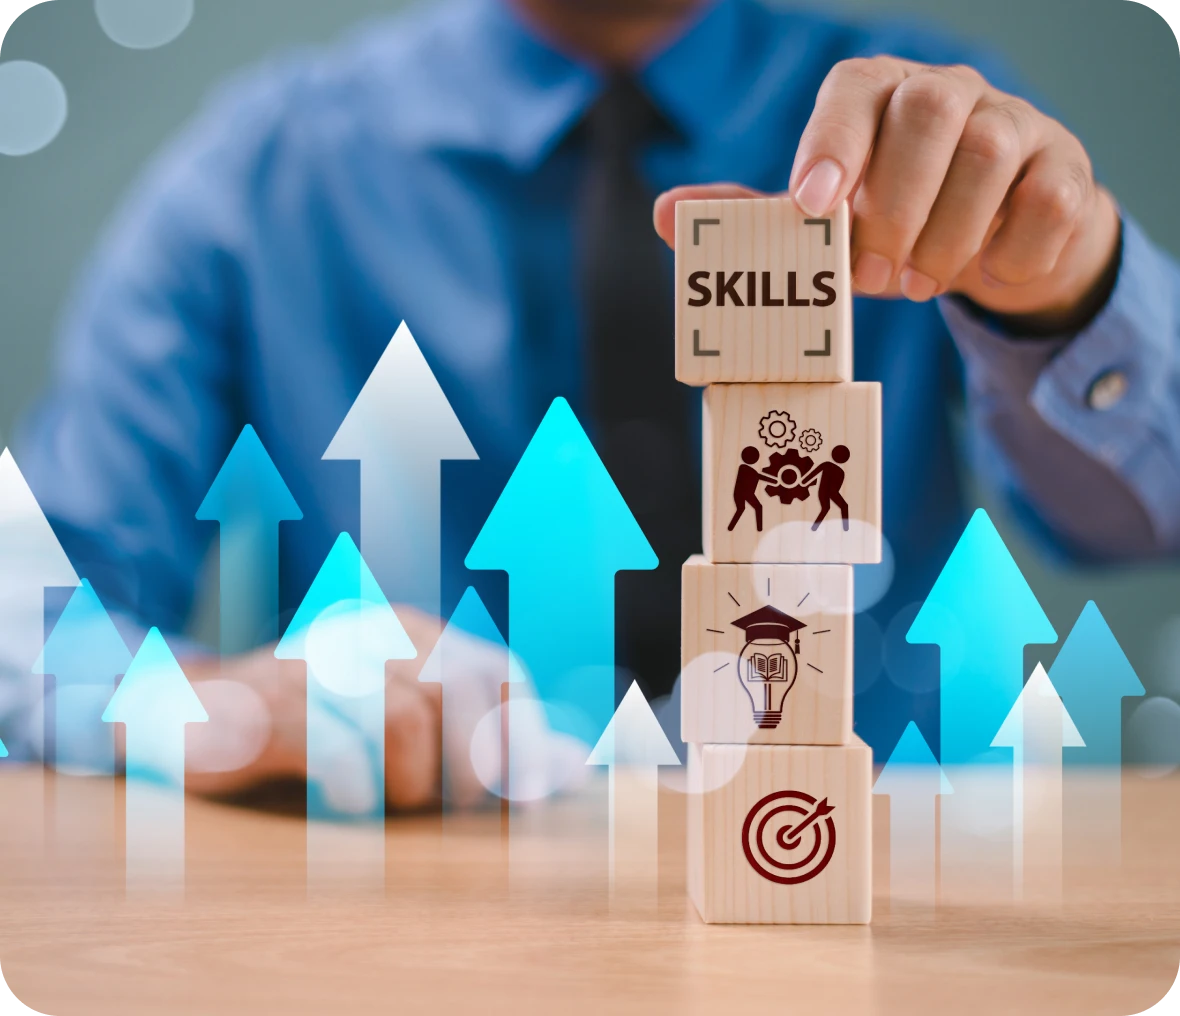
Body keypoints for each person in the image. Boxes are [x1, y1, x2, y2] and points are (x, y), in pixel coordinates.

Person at [4, 0, 1180, 810]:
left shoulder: (954, 138)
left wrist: (1068, 296)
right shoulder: (257, 172)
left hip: (877, 893)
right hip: (421, 917)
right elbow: (34, 607)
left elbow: (1144, 519)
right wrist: (207, 705)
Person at [802, 446, 851, 532]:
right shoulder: (835, 469)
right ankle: (845, 529)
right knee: (829, 508)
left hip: (828, 492)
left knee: (833, 507)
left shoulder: (834, 468)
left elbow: (814, 473)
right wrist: (804, 481)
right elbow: (815, 473)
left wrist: (804, 481)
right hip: (827, 492)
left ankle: (845, 529)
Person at [728, 446, 767, 532]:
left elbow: (759, 476)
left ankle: (759, 529)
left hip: (748, 494)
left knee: (756, 507)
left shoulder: (748, 469)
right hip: (741, 494)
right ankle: (730, 527)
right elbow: (758, 476)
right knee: (742, 509)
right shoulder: (743, 468)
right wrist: (774, 480)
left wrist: (774, 480)